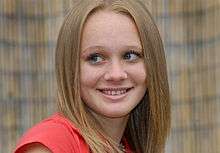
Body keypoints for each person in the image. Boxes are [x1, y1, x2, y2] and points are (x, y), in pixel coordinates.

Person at [14, 0, 170, 153]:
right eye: (95, 58)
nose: (116, 74)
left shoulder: (129, 146)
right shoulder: (53, 143)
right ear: (70, 68)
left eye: (130, 55)